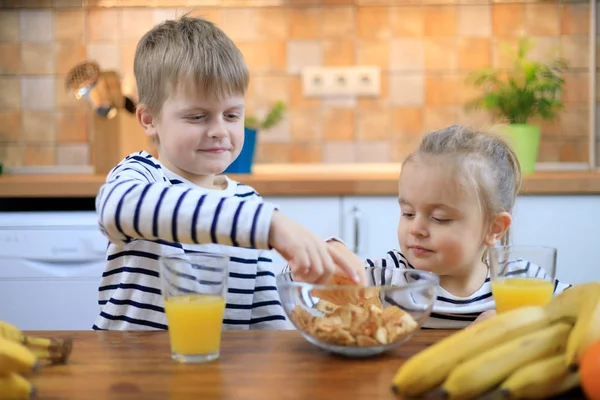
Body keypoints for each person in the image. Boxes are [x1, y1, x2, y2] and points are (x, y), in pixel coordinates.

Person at [93, 15, 364, 331]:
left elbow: (266, 319)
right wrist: (270, 224)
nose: (219, 131)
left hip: (214, 376)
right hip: (131, 374)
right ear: (149, 120)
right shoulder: (140, 176)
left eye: (232, 115)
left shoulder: (249, 203)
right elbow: (117, 207)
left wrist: (311, 272)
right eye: (197, 117)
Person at [329, 125, 571, 329]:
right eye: (408, 213)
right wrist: (329, 259)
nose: (416, 228)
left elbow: (585, 312)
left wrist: (520, 322)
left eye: (440, 218)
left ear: (494, 228)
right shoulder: (386, 275)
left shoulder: (521, 280)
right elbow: (309, 294)